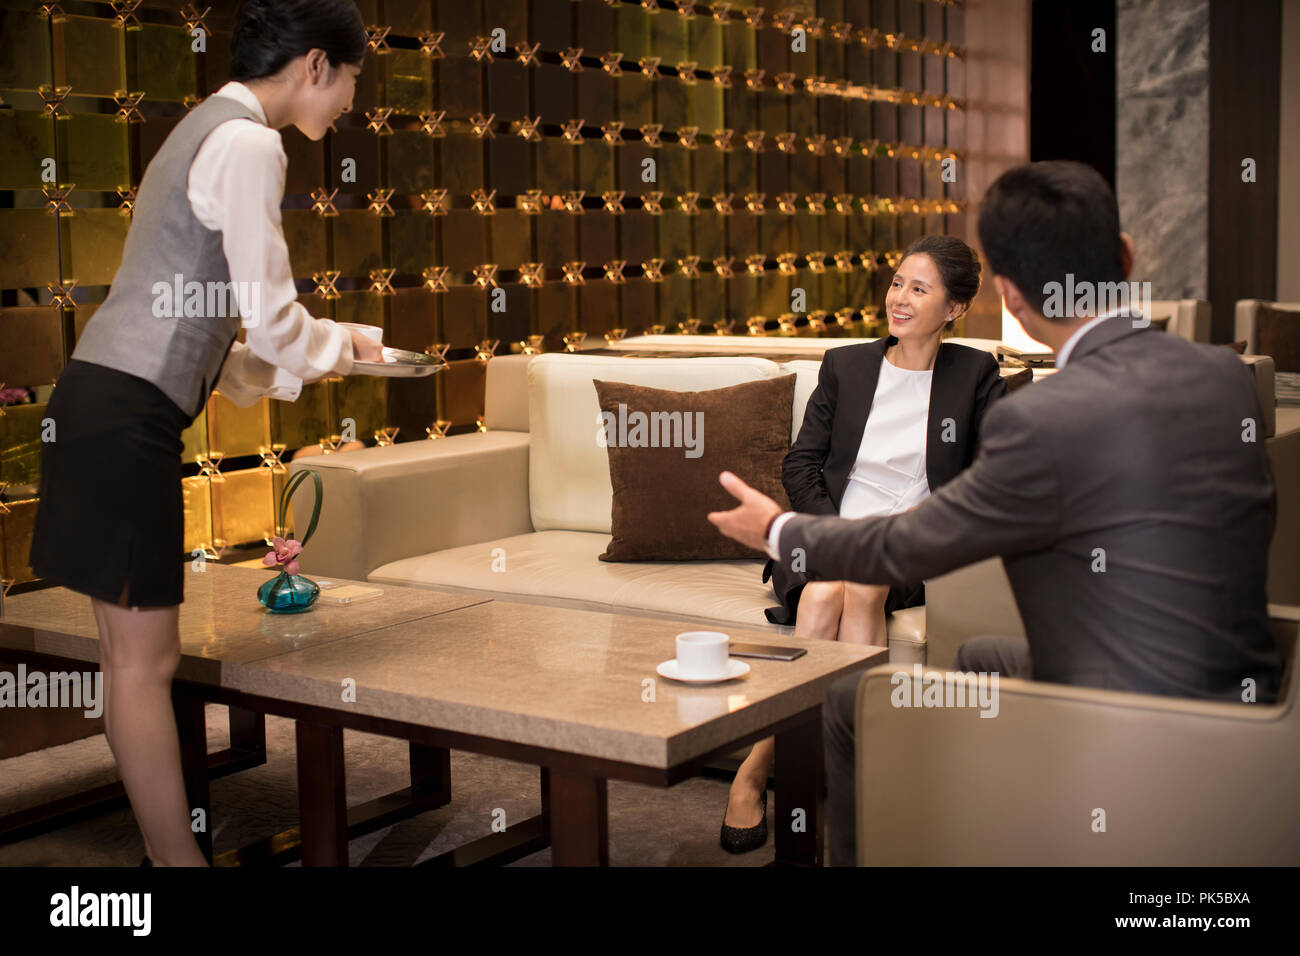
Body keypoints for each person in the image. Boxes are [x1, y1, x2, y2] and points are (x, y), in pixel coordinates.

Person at [708, 160, 1284, 866]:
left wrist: (776, 529)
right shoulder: (1228, 377)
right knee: (980, 656)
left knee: (853, 705)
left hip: (1128, 729)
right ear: (1126, 256)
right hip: (1258, 707)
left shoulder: (1039, 416)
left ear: (1004, 293)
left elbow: (911, 548)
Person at [29, 0, 383, 867]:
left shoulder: (204, 125)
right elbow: (268, 319)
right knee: (146, 667)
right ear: (312, 66)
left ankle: (164, 859)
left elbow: (211, 319)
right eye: (348, 86)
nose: (345, 108)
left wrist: (313, 358)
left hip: (94, 401)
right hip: (127, 419)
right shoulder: (251, 142)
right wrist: (348, 346)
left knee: (128, 666)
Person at [722, 236, 1008, 854]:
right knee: (825, 590)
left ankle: (782, 769)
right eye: (898, 282)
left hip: (908, 547)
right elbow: (801, 466)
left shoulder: (974, 375)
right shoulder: (845, 365)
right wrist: (839, 535)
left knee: (867, 582)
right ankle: (798, 771)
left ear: (954, 309)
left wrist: (896, 536)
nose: (899, 298)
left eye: (919, 289)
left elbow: (982, 481)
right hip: (829, 535)